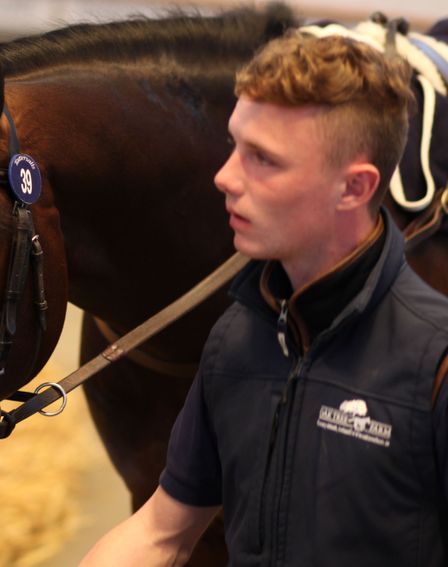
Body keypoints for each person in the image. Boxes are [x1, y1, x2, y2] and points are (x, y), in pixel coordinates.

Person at [80, 31, 448, 566]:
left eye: (263, 160)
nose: (225, 177)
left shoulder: (435, 362)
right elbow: (161, 532)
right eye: (235, 145)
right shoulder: (236, 339)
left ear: (354, 188)